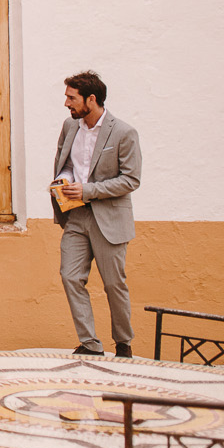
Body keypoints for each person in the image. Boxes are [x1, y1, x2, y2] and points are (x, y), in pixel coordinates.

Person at [51, 70, 141, 357]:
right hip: (76, 216)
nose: (67, 103)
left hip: (109, 218)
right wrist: (63, 181)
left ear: (91, 99)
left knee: (114, 284)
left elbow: (131, 179)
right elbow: (64, 163)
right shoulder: (70, 126)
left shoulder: (124, 132)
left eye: (71, 98)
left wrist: (88, 190)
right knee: (70, 276)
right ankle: (90, 344)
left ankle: (123, 343)